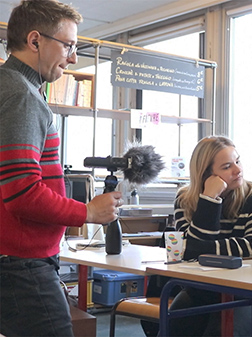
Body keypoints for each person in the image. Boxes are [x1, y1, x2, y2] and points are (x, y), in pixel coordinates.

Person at [0, 1, 122, 336]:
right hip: (22, 265)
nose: (72, 57)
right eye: (68, 45)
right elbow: (22, 193)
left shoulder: (12, 88)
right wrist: (87, 212)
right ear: (35, 40)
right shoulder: (21, 95)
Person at [169, 136, 252, 336]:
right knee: (174, 325)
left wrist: (199, 249)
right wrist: (209, 200)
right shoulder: (185, 199)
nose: (238, 170)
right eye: (227, 166)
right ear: (207, 175)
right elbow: (185, 249)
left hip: (250, 291)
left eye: (238, 161)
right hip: (202, 290)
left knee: (220, 331)